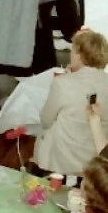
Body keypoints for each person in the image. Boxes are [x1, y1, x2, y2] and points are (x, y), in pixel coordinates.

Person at [32, 30, 108, 177]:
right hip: (97, 156)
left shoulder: (62, 83)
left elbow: (45, 121)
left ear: (79, 55)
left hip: (63, 160)